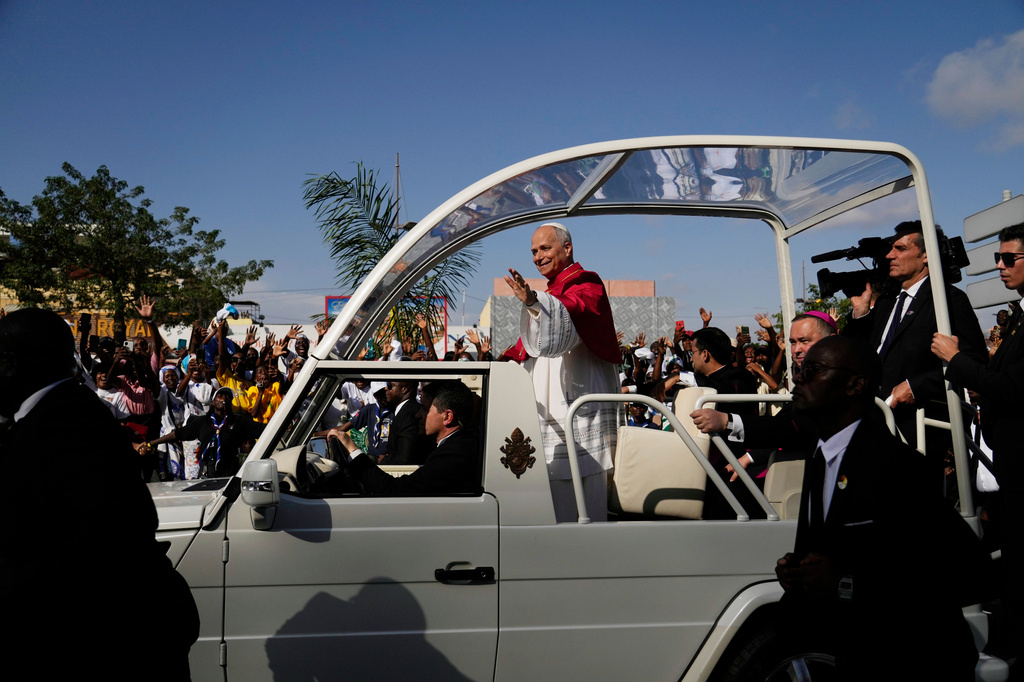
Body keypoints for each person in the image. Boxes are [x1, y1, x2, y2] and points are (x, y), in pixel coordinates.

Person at [774, 336, 988, 680]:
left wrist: (842, 583)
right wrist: (799, 575)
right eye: (800, 368)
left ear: (855, 385)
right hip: (858, 655)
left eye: (813, 369)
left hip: (915, 661)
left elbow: (971, 575)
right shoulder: (821, 456)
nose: (798, 377)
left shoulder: (896, 466)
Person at [0, 307, 198, 679]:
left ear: (11, 364)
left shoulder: (67, 421)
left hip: (108, 643)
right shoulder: (50, 415)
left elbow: (112, 529)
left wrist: (14, 582)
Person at [932, 221, 1024, 675]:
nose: (1001, 266)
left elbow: (1010, 389)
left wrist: (957, 360)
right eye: (998, 258)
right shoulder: (1021, 316)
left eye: (1010, 258)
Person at [501, 222, 621, 522]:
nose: (537, 256)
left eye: (544, 248)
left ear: (567, 248)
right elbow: (524, 346)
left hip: (577, 402)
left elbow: (574, 307)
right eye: (533, 251)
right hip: (548, 403)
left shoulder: (586, 282)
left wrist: (534, 302)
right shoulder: (549, 292)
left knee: (583, 487)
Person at [844, 221, 986, 466]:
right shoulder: (887, 303)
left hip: (916, 430)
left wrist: (915, 386)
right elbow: (854, 353)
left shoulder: (948, 299)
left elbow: (974, 361)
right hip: (873, 420)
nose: (890, 255)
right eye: (891, 248)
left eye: (900, 248)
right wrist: (860, 315)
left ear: (926, 255)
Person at [328, 380, 480, 496]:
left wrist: (352, 449)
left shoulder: (453, 455)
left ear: (447, 416)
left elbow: (395, 490)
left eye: (425, 409)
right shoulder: (458, 445)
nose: (418, 414)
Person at [146, 386, 262, 478]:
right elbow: (178, 434)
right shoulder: (203, 421)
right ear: (212, 402)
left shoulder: (238, 421)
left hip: (230, 472)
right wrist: (151, 443)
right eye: (220, 395)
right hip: (207, 472)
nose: (224, 398)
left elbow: (263, 429)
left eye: (227, 397)